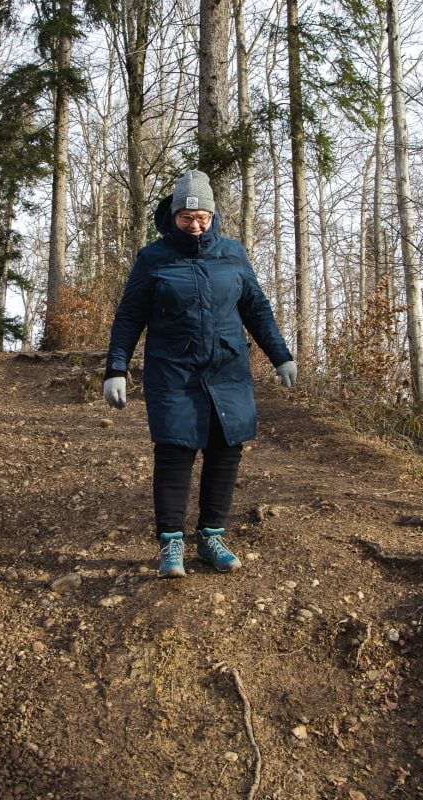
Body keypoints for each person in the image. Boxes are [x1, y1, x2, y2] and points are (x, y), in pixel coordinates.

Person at [103, 169, 296, 579]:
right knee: (175, 451)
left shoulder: (233, 254)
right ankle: (171, 544)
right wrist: (115, 368)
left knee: (226, 450)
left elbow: (256, 310)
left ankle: (211, 539)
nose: (195, 225)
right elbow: (129, 317)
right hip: (173, 371)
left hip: (228, 370)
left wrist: (281, 355)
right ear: (173, 215)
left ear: (213, 216)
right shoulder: (152, 258)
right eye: (186, 218)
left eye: (202, 218)